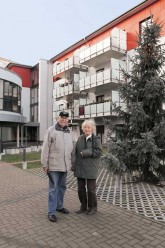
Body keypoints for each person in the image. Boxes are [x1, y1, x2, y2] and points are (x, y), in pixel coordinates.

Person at [41, 111, 74, 222]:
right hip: (53, 165)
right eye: (62, 117)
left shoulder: (70, 131)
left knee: (62, 187)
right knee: (53, 188)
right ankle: (51, 212)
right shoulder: (51, 130)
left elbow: (71, 149)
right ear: (57, 118)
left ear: (68, 120)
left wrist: (71, 163)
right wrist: (44, 164)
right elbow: (45, 148)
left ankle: (59, 206)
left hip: (65, 165)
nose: (64, 119)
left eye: (66, 118)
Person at [72, 120, 102, 215]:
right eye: (85, 127)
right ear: (82, 129)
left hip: (91, 168)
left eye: (88, 127)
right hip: (80, 167)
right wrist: (73, 164)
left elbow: (99, 152)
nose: (86, 129)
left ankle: (93, 207)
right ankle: (83, 206)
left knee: (91, 189)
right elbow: (74, 152)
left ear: (92, 128)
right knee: (80, 189)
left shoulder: (96, 139)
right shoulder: (80, 138)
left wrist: (86, 152)